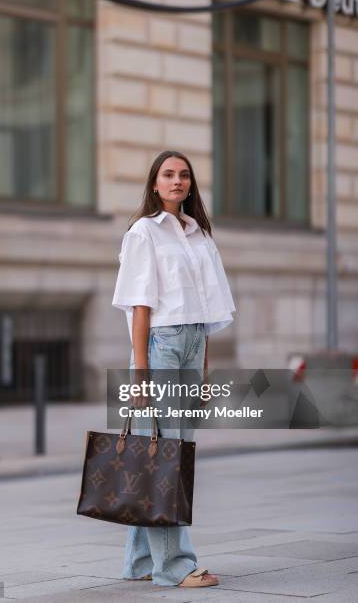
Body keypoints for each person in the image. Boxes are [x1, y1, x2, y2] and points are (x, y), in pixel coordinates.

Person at [111, 150, 236, 589]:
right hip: (159, 347)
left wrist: (203, 370)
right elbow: (139, 304)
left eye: (184, 175)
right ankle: (173, 566)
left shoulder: (198, 234)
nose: (177, 181)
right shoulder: (144, 232)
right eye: (168, 174)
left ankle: (141, 561)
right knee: (165, 460)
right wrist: (140, 370)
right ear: (154, 183)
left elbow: (208, 306)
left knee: (165, 456)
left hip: (192, 344)